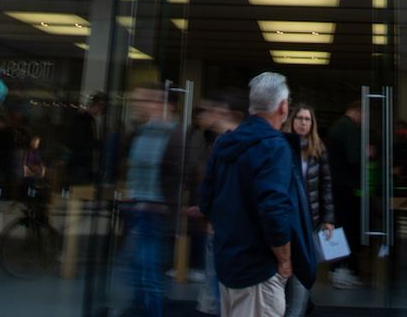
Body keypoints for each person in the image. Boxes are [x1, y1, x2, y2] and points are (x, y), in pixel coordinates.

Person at [198, 72, 318, 317]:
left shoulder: (224, 143)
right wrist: (284, 260)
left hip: (228, 264)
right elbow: (274, 210)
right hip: (260, 271)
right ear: (283, 107)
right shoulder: (274, 146)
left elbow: (206, 201)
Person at [123, 84, 183, 317]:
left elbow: (175, 173)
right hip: (140, 206)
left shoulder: (171, 134)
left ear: (159, 103)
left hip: (154, 210)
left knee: (148, 272)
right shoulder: (142, 131)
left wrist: (159, 203)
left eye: (144, 100)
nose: (139, 105)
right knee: (138, 269)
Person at [192, 90, 246, 314]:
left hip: (229, 228)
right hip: (218, 225)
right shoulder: (216, 142)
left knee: (220, 288)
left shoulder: (233, 143)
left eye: (214, 110)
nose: (208, 115)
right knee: (215, 286)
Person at [283, 103, 337, 317]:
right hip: (287, 218)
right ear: (291, 121)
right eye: (300, 118)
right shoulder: (282, 145)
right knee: (284, 267)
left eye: (307, 119)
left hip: (310, 220)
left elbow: (326, 185)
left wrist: (328, 219)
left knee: (303, 270)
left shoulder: (319, 149)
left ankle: (295, 313)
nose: (303, 123)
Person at [325, 97, 365, 290]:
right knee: (346, 227)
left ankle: (337, 269)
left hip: (336, 184)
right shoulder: (348, 128)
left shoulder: (337, 126)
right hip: (344, 185)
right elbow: (354, 156)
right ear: (358, 111)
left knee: (338, 226)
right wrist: (367, 152)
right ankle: (341, 270)